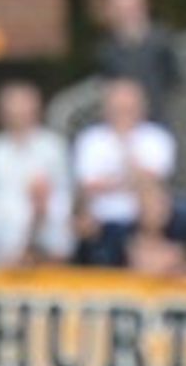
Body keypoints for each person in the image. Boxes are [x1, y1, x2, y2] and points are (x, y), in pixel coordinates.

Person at [73, 78, 177, 267]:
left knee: (163, 202)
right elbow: (88, 185)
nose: (124, 114)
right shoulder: (91, 139)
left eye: (129, 108)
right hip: (103, 216)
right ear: (107, 109)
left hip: (145, 215)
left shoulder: (157, 137)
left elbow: (153, 180)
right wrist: (130, 180)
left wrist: (126, 148)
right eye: (118, 108)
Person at [0, 79, 74, 266]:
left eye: (23, 109)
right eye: (13, 110)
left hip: (47, 251)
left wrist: (41, 214)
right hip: (2, 253)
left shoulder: (53, 147)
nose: (18, 115)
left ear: (36, 111)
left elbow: (64, 198)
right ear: (2, 114)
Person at [96, 0, 181, 124]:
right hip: (128, 123)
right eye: (121, 8)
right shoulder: (107, 51)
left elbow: (174, 80)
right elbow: (108, 86)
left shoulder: (161, 40)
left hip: (161, 117)